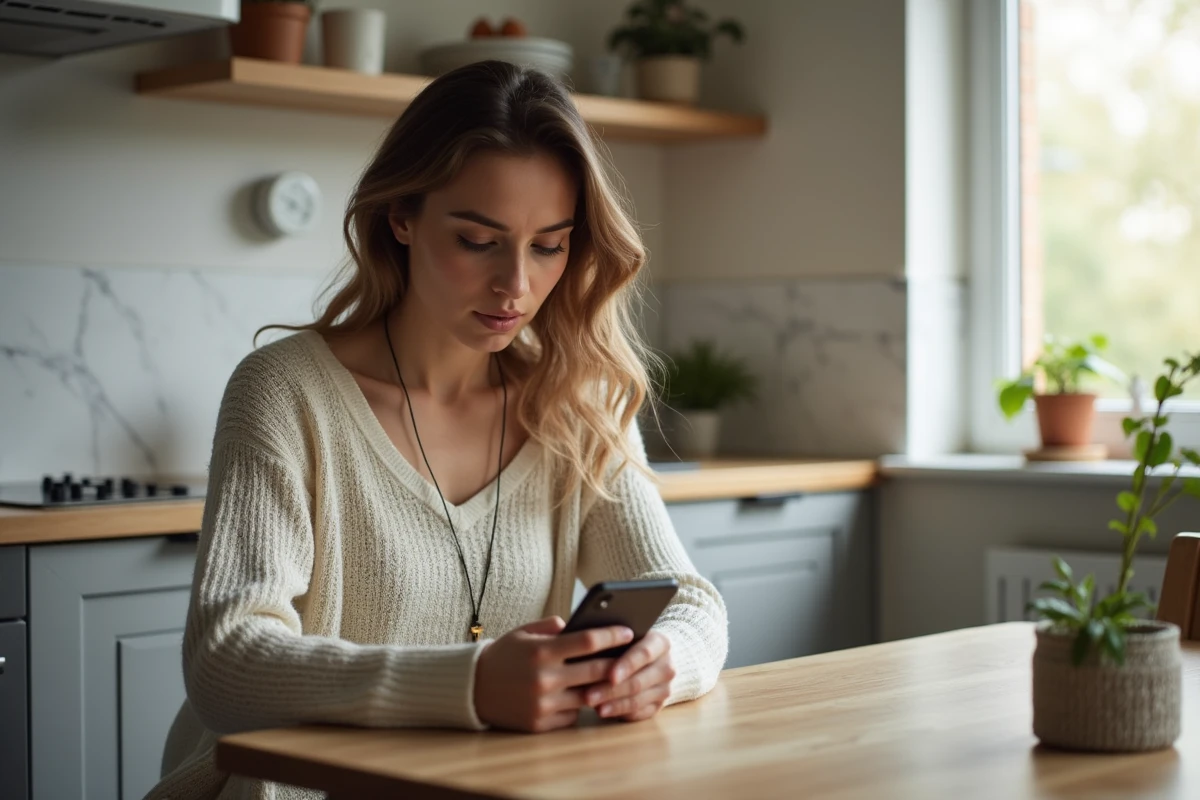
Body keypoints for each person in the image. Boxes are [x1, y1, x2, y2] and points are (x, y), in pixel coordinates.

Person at [147, 60, 728, 800]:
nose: (515, 285)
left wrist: (663, 663)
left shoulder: (574, 402)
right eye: (479, 240)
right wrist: (472, 687)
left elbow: (694, 603)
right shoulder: (286, 391)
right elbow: (227, 663)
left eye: (548, 245)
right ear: (402, 217)